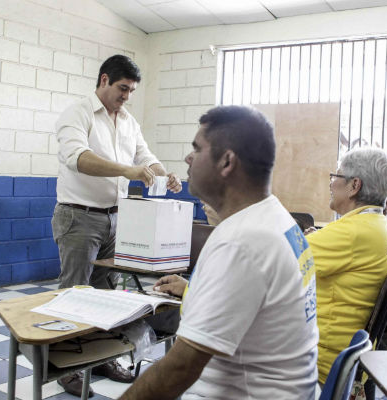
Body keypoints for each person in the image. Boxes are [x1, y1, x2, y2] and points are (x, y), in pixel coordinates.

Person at [119, 106, 319, 400]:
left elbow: (179, 369)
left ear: (227, 161)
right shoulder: (274, 218)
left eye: (197, 149)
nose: (188, 158)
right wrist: (196, 289)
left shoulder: (242, 241)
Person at [52, 54, 182, 397]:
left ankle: (101, 357)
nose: (126, 96)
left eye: (132, 91)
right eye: (123, 88)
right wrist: (126, 171)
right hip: (79, 215)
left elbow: (144, 156)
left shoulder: (127, 121)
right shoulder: (77, 114)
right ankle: (66, 366)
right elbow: (76, 158)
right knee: (73, 293)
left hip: (116, 217)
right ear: (104, 80)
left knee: (106, 295)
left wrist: (163, 171)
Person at [305, 147, 387, 385]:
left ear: (354, 185)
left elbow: (272, 261)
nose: (331, 184)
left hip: (318, 367)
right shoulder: (377, 226)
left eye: (336, 177)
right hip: (348, 364)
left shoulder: (350, 234)